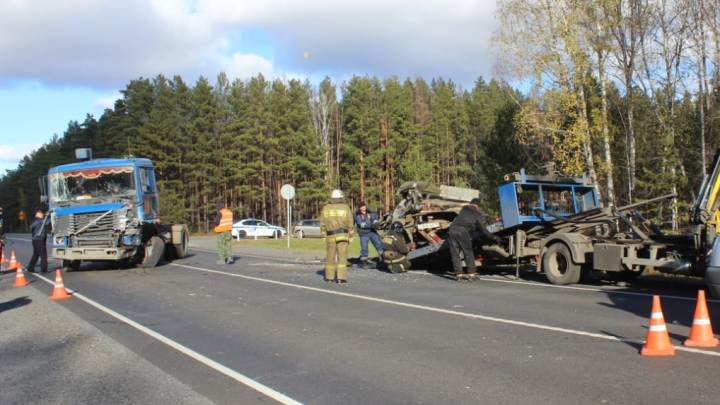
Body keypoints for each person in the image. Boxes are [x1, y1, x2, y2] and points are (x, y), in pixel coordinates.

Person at [448, 198, 501, 281]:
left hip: (452, 230)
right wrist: (494, 237)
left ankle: (458, 275)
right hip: (462, 231)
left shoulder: (463, 210)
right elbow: (483, 230)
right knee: (468, 252)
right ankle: (472, 275)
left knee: (455, 254)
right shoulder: (477, 214)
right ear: (477, 205)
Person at [320, 189, 354, 284]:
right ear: (340, 197)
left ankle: (329, 277)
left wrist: (323, 234)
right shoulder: (345, 207)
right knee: (342, 257)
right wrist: (351, 235)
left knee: (330, 257)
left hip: (330, 236)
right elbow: (350, 222)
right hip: (342, 236)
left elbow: (322, 222)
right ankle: (341, 278)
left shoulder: (326, 208)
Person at [27, 207, 50, 273]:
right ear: (37, 214)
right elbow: (47, 222)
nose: (42, 214)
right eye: (41, 213)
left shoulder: (36, 220)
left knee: (36, 254)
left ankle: (30, 268)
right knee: (43, 255)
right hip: (39, 240)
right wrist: (49, 215)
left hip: (36, 240)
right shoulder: (37, 220)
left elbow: (45, 222)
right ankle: (44, 270)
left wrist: (47, 216)